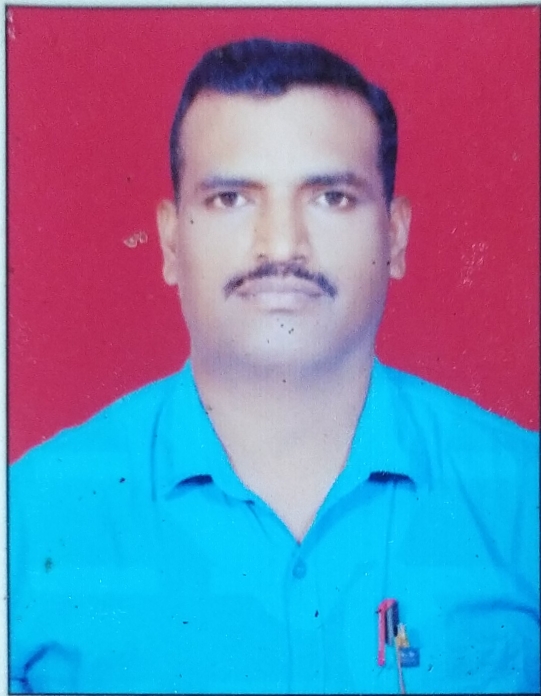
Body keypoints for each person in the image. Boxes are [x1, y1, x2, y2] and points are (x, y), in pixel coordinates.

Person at [9, 38, 538, 695]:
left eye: (331, 197)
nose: (282, 245)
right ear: (171, 241)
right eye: (231, 198)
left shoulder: (522, 497)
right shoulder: (29, 518)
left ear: (395, 236)